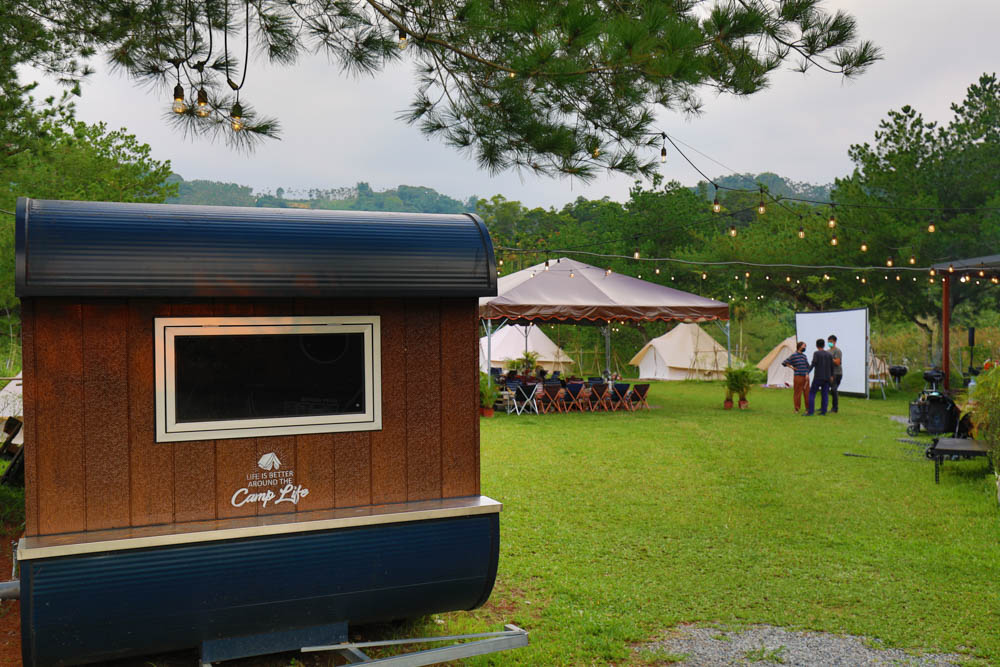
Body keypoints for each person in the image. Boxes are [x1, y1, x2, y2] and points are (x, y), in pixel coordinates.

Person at [805, 338, 834, 416]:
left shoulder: (816, 353)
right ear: (824, 345)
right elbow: (832, 366)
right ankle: (823, 412)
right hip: (827, 378)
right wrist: (831, 376)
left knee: (812, 393)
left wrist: (807, 372)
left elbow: (813, 364)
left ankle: (810, 412)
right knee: (825, 395)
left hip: (818, 377)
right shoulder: (829, 354)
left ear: (816, 345)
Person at [781, 341, 810, 413]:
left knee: (807, 393)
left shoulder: (804, 356)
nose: (805, 348)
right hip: (798, 376)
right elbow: (784, 363)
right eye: (804, 346)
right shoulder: (794, 355)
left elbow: (808, 366)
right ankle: (797, 409)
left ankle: (808, 409)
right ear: (799, 346)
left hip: (806, 377)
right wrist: (792, 367)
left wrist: (807, 374)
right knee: (797, 393)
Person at [827, 334, 842, 413]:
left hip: (837, 373)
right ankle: (824, 407)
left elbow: (838, 362)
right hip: (829, 373)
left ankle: (835, 408)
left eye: (831, 342)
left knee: (834, 390)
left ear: (835, 342)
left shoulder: (837, 351)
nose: (829, 343)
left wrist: (829, 359)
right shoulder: (827, 351)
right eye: (828, 342)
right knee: (827, 390)